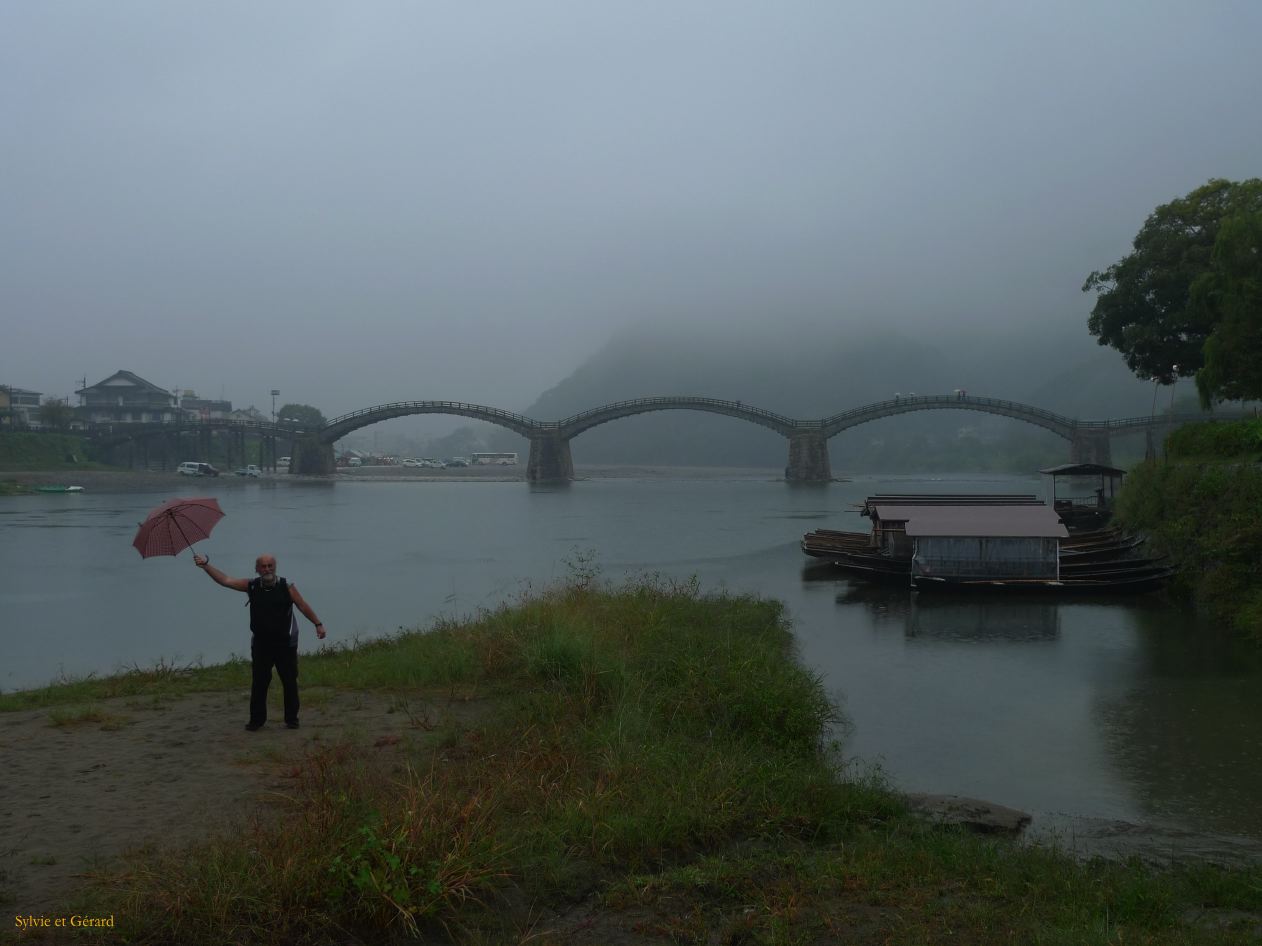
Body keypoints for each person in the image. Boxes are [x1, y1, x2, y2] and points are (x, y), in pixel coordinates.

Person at [192, 552, 327, 731]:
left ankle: (292, 719)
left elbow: (302, 606)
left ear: (275, 567)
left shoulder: (287, 586)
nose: (267, 569)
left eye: (270, 566)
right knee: (259, 682)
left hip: (285, 643)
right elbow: (225, 580)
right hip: (261, 644)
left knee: (289, 681)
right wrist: (206, 566)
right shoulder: (252, 586)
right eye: (263, 566)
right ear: (257, 569)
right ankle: (256, 721)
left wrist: (318, 624)